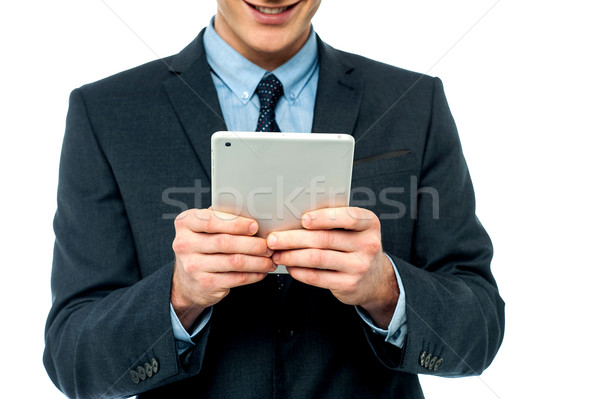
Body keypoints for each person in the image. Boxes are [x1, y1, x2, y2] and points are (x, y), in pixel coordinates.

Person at [43, 1, 505, 398]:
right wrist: (178, 295)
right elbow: (72, 360)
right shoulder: (105, 112)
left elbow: (480, 328)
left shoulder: (414, 102)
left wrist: (386, 290)